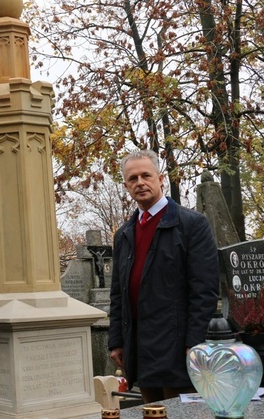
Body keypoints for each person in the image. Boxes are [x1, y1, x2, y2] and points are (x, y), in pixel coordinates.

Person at [108, 150, 219, 404]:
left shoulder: (191, 225)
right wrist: (116, 340)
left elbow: (205, 290)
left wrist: (195, 341)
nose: (140, 183)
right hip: (140, 343)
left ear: (160, 179)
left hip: (177, 343)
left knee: (179, 409)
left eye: (146, 175)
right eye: (132, 178)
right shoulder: (124, 234)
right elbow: (119, 293)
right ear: (126, 186)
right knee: (152, 411)